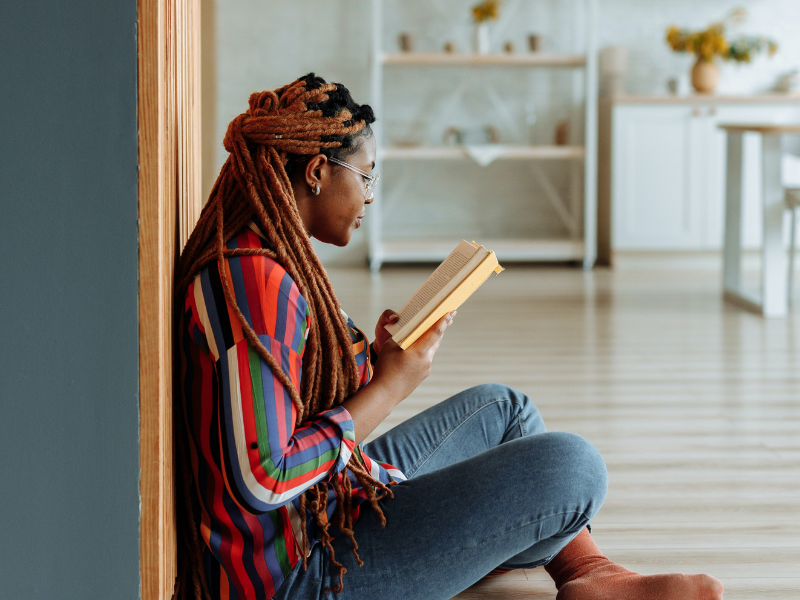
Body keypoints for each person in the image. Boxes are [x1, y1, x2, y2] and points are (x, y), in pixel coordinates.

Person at [174, 73, 724, 600]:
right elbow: (263, 478)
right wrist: (391, 387)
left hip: (326, 504)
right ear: (318, 170)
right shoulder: (257, 284)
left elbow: (290, 397)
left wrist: (376, 360)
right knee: (572, 465)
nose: (369, 196)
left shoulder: (263, 256)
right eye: (365, 176)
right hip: (304, 574)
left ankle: (588, 572)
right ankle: (540, 555)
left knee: (504, 410)